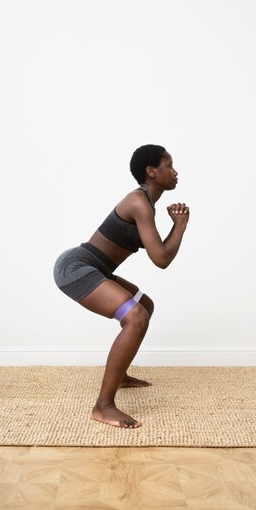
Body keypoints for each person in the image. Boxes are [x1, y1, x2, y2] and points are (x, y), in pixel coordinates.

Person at [53, 144, 190, 429]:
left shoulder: (146, 205)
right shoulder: (138, 202)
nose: (175, 172)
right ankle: (103, 406)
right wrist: (180, 225)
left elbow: (159, 253)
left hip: (95, 268)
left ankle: (121, 374)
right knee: (135, 317)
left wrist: (177, 225)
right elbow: (161, 259)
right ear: (151, 172)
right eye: (169, 165)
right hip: (76, 268)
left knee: (145, 305)